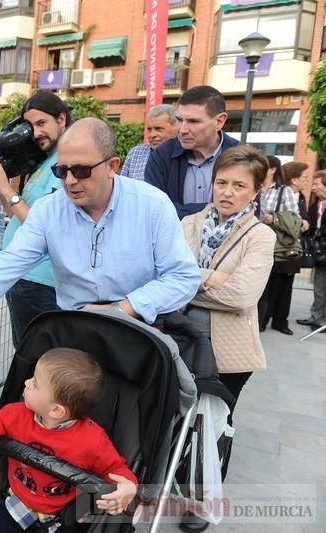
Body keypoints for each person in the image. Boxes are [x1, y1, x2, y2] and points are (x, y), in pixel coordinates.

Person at [0, 119, 201, 353]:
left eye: (82, 171)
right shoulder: (49, 209)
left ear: (112, 166)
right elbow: (9, 262)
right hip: (75, 333)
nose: (70, 181)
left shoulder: (151, 204)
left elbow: (183, 277)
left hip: (139, 332)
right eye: (61, 171)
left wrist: (123, 307)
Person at [179, 146, 275, 533]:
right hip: (180, 340)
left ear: (255, 191)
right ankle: (167, 484)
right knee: (174, 419)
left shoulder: (260, 236)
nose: (227, 192)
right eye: (221, 182)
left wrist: (190, 280)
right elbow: (165, 276)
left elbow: (242, 296)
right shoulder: (188, 223)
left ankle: (202, 503)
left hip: (230, 352)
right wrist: (213, 279)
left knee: (214, 426)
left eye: (239, 185)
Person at [0, 348, 138, 532]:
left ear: (56, 410)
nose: (26, 382)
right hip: (16, 504)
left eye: (35, 383)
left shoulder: (92, 440)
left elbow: (115, 469)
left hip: (62, 516)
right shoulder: (17, 415)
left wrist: (128, 487)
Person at [0, 90, 70, 349]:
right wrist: (1, 183)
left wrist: (7, 189)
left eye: (42, 123)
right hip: (23, 277)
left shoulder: (65, 163)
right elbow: (15, 214)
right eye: (29, 126)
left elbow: (43, 228)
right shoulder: (42, 163)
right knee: (27, 357)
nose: (35, 133)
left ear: (62, 119)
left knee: (37, 362)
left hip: (41, 280)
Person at [145, 85, 241, 219]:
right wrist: (214, 210)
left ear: (219, 121)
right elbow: (153, 209)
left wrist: (179, 211)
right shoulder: (162, 155)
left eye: (193, 121)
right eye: (179, 120)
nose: (182, 130)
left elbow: (246, 214)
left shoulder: (242, 158)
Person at [256, 157, 303, 334]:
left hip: (277, 245)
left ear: (273, 169)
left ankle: (265, 322)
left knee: (272, 286)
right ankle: (259, 321)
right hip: (255, 241)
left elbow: (294, 218)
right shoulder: (255, 186)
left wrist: (273, 218)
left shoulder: (284, 191)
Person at [297, 170, 326, 332]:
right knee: (319, 287)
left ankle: (323, 320)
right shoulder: (316, 205)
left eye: (317, 184)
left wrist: (320, 230)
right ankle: (316, 317)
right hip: (319, 253)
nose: (313, 187)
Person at [120, 104, 178, 181]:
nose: (152, 135)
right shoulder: (135, 153)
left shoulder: (185, 154)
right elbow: (123, 186)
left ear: (176, 128)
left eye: (158, 129)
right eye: (149, 130)